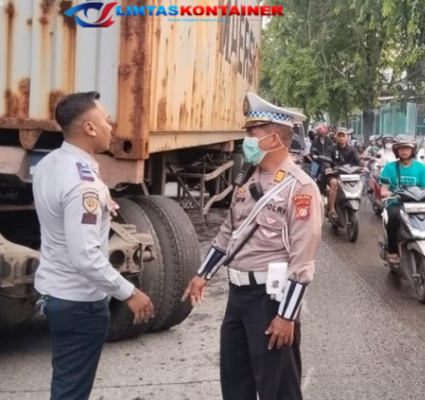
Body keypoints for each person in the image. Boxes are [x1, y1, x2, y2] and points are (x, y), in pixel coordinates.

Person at [182, 93, 323, 400]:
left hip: (270, 299)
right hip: (238, 296)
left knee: (278, 389)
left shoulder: (300, 188)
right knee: (235, 382)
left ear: (275, 138)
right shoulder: (247, 180)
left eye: (252, 132)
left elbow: (303, 259)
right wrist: (203, 274)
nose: (246, 139)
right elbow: (228, 233)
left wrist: (287, 315)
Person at [32, 91, 155, 400]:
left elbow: (62, 213)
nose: (111, 127)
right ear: (89, 128)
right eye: (106, 121)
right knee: (72, 392)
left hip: (57, 294)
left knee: (67, 383)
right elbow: (86, 257)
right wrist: (130, 292)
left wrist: (100, 203)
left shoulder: (51, 163)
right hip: (80, 303)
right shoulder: (83, 183)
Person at [379, 135, 425, 264]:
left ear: (412, 150)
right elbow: (384, 188)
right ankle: (392, 251)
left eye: (407, 148)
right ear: (396, 150)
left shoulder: (420, 167)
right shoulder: (389, 167)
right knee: (393, 217)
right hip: (396, 203)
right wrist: (385, 192)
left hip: (417, 204)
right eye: (401, 148)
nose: (404, 151)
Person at [326, 128, 361, 222]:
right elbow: (327, 161)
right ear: (336, 137)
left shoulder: (352, 150)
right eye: (339, 136)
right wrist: (328, 168)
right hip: (335, 175)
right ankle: (332, 208)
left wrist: (363, 167)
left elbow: (358, 161)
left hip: (349, 175)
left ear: (347, 138)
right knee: (334, 183)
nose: (341, 138)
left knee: (359, 181)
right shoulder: (330, 149)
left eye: (343, 136)